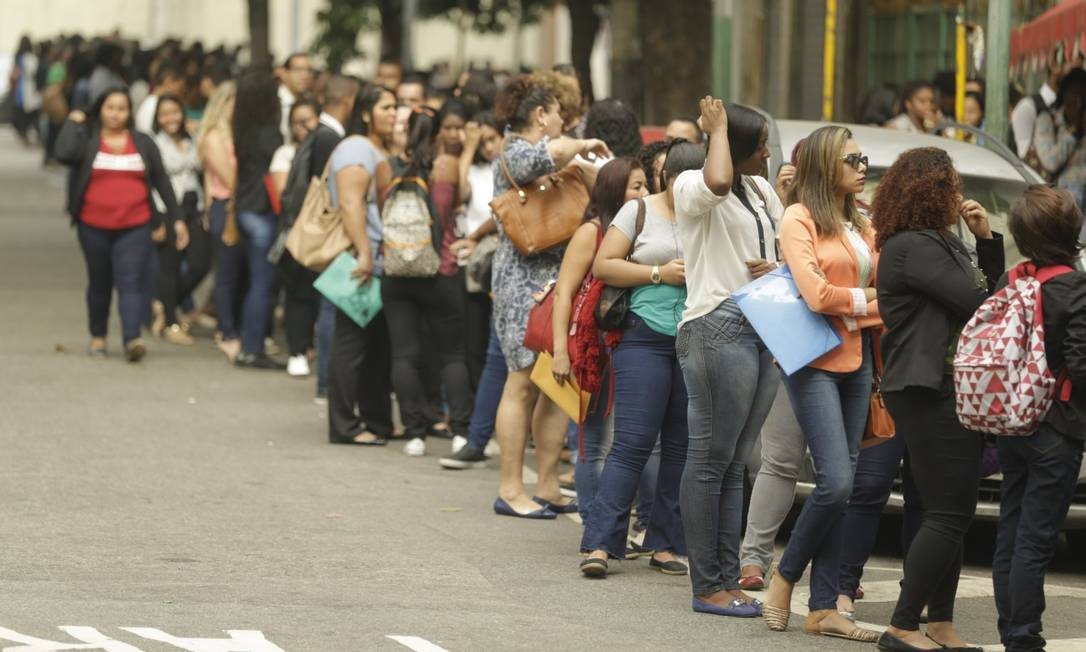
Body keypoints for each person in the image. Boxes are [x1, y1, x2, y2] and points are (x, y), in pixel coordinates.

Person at [869, 147, 1004, 652]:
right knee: (949, 512)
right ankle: (903, 625)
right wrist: (981, 253)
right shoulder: (914, 247)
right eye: (952, 185)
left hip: (940, 386)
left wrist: (986, 241)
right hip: (930, 389)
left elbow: (986, 292)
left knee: (941, 510)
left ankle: (940, 622)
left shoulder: (938, 242)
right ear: (933, 190)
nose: (959, 194)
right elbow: (982, 303)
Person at [762, 125, 881, 641]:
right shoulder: (798, 217)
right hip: (811, 358)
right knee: (834, 481)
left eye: (863, 159)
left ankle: (824, 606)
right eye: (853, 158)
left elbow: (880, 287)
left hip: (858, 361)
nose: (862, 167)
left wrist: (858, 303)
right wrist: (867, 305)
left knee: (847, 484)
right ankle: (784, 575)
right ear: (827, 163)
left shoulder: (861, 223)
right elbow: (815, 294)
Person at [674, 100, 784, 615]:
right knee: (709, 462)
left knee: (736, 461)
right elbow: (718, 181)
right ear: (735, 147)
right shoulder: (692, 186)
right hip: (717, 327)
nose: (767, 151)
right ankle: (708, 585)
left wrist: (776, 269)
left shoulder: (762, 190)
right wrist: (716, 131)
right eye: (759, 143)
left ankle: (727, 579)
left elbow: (785, 247)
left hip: (763, 326)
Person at [489, 75, 610, 518]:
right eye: (558, 112)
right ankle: (509, 489)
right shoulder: (515, 149)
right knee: (520, 382)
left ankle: (545, 485)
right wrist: (583, 145)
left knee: (555, 384)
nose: (564, 120)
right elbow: (550, 154)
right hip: (522, 282)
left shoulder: (553, 157)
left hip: (557, 280)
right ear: (541, 115)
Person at [578, 141, 700, 577]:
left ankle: (665, 544)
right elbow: (603, 265)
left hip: (695, 339)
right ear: (668, 180)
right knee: (631, 444)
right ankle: (600, 544)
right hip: (643, 338)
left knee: (680, 449)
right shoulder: (639, 212)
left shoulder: (709, 214)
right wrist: (658, 273)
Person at [992, 185, 1086, 652]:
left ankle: (1011, 625)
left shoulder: (1014, 279)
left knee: (1011, 524)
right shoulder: (1073, 286)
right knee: (1037, 536)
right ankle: (1024, 637)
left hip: (1013, 421)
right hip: (1057, 426)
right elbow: (1081, 363)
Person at [548, 157, 648, 524]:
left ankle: (619, 521)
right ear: (613, 190)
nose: (644, 193)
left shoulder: (644, 229)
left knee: (627, 441)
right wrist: (562, 351)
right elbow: (564, 293)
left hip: (632, 344)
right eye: (636, 186)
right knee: (594, 441)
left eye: (645, 185)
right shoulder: (592, 232)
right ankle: (595, 523)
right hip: (595, 349)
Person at [55, 87, 186, 362]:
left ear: (130, 113)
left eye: (122, 109)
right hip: (92, 226)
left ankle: (131, 339)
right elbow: (63, 153)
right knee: (100, 282)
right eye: (110, 108)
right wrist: (73, 121)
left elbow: (161, 182)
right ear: (100, 110)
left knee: (131, 282)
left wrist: (175, 219)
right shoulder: (89, 139)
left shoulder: (142, 143)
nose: (116, 114)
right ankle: (98, 336)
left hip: (135, 225)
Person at [373, 108, 473, 457]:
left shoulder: (385, 167)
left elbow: (378, 206)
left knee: (404, 355)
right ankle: (460, 431)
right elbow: (457, 203)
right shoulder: (445, 166)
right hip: (440, 270)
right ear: (435, 133)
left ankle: (414, 433)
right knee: (452, 355)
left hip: (397, 271)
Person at [326, 84, 398, 446]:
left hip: (378, 261)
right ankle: (344, 425)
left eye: (395, 107)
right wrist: (365, 253)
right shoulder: (356, 148)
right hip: (361, 260)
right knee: (352, 344)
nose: (393, 113)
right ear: (366, 112)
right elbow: (351, 204)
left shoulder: (373, 148)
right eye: (386, 107)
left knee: (376, 345)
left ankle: (376, 419)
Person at [230, 67, 284, 369]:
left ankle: (246, 342)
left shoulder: (243, 130)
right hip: (263, 211)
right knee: (263, 284)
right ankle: (253, 347)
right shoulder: (270, 134)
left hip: (245, 208)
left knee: (250, 281)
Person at [149, 93, 210, 345]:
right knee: (170, 266)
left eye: (175, 112)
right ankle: (172, 323)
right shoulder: (153, 144)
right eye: (164, 114)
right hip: (168, 209)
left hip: (194, 207)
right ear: (157, 118)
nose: (170, 118)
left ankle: (164, 304)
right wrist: (159, 221)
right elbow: (151, 184)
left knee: (200, 264)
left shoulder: (193, 139)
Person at [195, 81, 240, 360]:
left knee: (234, 273)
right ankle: (226, 331)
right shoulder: (214, 136)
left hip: (231, 204)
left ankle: (231, 325)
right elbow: (230, 179)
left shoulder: (232, 134)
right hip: (225, 206)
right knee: (225, 274)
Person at [1031, 69, 1086, 209]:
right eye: (1074, 94)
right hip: (1060, 206)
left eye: (1083, 96)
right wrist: (1073, 131)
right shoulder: (1048, 120)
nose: (1078, 102)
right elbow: (1050, 162)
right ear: (1064, 95)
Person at [1010, 46, 1077, 159]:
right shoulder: (1029, 107)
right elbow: (1025, 158)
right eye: (1072, 59)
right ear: (1053, 64)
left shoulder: (1073, 108)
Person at [270, 96, 321, 196]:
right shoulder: (285, 153)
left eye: (305, 121)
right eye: (295, 123)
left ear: (318, 119)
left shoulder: (324, 146)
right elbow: (282, 194)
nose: (300, 127)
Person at [134, 61, 185, 134]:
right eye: (180, 88)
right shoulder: (153, 105)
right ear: (168, 81)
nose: (179, 93)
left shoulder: (152, 103)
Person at [11, 35, 42, 146]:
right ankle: (36, 135)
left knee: (22, 113)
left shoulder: (19, 57)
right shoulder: (33, 57)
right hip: (31, 88)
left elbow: (15, 73)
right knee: (33, 114)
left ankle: (24, 134)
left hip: (21, 88)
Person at [278, 52, 314, 141]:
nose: (305, 75)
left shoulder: (311, 101)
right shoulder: (274, 101)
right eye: (298, 70)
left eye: (308, 70)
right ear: (284, 73)